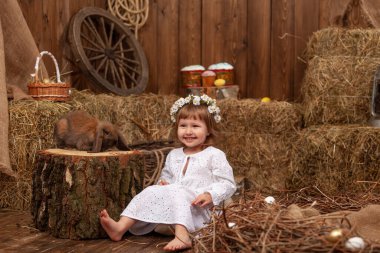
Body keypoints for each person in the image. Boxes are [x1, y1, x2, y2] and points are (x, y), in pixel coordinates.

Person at [99, 94, 236, 251]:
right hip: (174, 211)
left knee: (177, 190)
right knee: (152, 190)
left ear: (209, 130)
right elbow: (166, 178)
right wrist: (163, 184)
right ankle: (120, 227)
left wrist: (210, 194)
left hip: (200, 211)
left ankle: (182, 236)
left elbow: (228, 183)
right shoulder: (174, 154)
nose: (188, 131)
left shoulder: (214, 154)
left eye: (195, 126)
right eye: (183, 125)